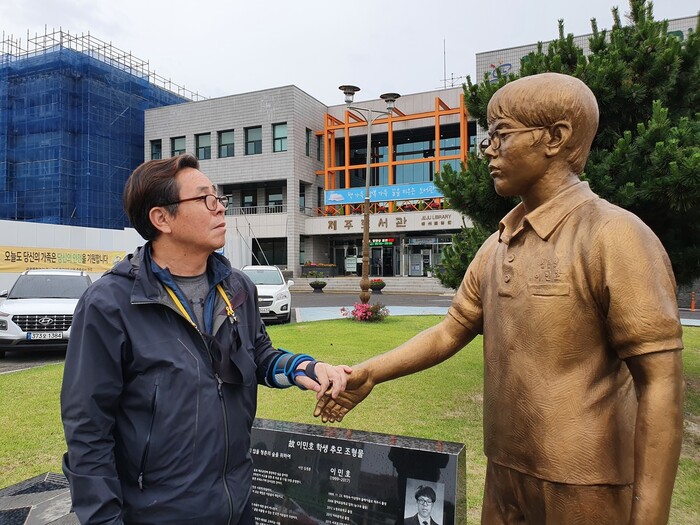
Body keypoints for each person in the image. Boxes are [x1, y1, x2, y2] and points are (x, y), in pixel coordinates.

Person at [315, 73, 684, 525]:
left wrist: (649, 517)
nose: (487, 148)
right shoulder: (497, 246)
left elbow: (661, 383)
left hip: (585, 482)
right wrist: (369, 372)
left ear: (556, 137)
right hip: (506, 470)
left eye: (501, 134)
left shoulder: (616, 237)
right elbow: (451, 330)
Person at [61, 154, 351, 525]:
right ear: (161, 218)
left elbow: (259, 354)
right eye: (205, 199)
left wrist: (302, 367)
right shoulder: (109, 304)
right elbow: (87, 429)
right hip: (156, 513)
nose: (220, 209)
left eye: (219, 198)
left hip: (237, 504)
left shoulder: (237, 286)